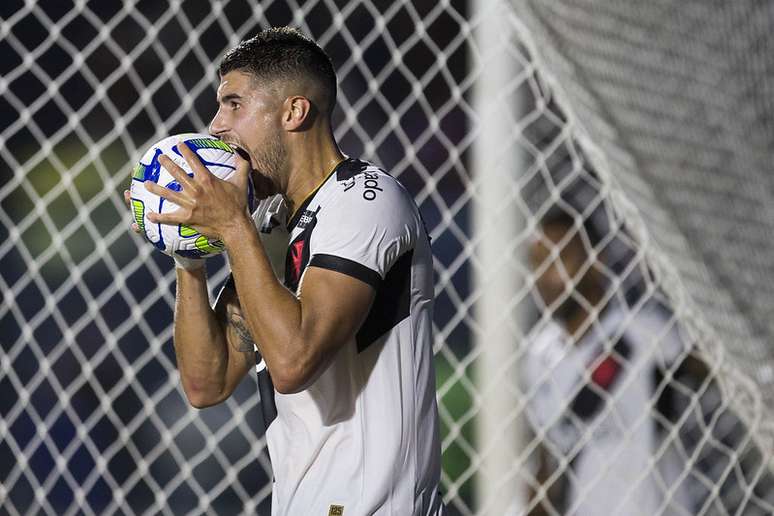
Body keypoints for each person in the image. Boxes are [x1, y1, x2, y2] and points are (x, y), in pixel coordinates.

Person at [128, 27, 445, 515]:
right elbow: (206, 383)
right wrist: (186, 251)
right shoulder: (271, 225)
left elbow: (294, 361)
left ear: (293, 112)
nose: (215, 125)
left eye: (233, 104)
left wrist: (233, 227)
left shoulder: (367, 200)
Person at [520, 209, 694, 516]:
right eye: (538, 263)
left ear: (595, 262)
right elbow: (546, 464)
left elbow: (706, 371)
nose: (546, 275)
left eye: (559, 259)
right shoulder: (538, 356)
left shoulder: (643, 331)